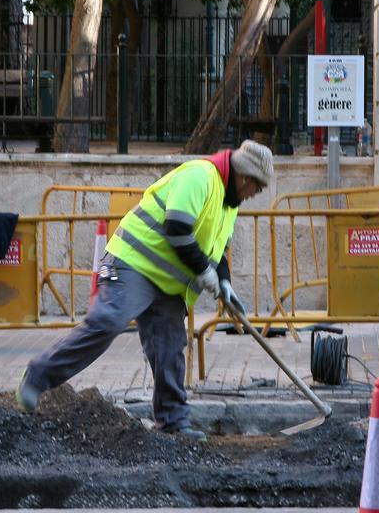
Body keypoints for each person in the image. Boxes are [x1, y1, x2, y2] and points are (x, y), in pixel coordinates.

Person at [15, 140, 275, 439]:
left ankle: (174, 422)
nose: (255, 195)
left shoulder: (229, 205)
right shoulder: (200, 176)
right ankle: (37, 376)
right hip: (124, 262)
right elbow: (176, 227)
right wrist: (204, 270)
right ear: (244, 178)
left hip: (165, 284)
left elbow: (218, 251)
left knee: (170, 348)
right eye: (257, 188)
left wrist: (225, 282)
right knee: (107, 321)